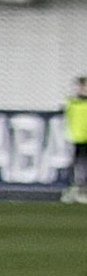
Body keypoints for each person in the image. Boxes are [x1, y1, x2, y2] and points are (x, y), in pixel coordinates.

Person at [62, 74, 87, 202]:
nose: (82, 89)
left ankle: (82, 189)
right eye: (81, 86)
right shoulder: (71, 103)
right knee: (76, 164)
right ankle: (75, 189)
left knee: (82, 164)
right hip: (76, 138)